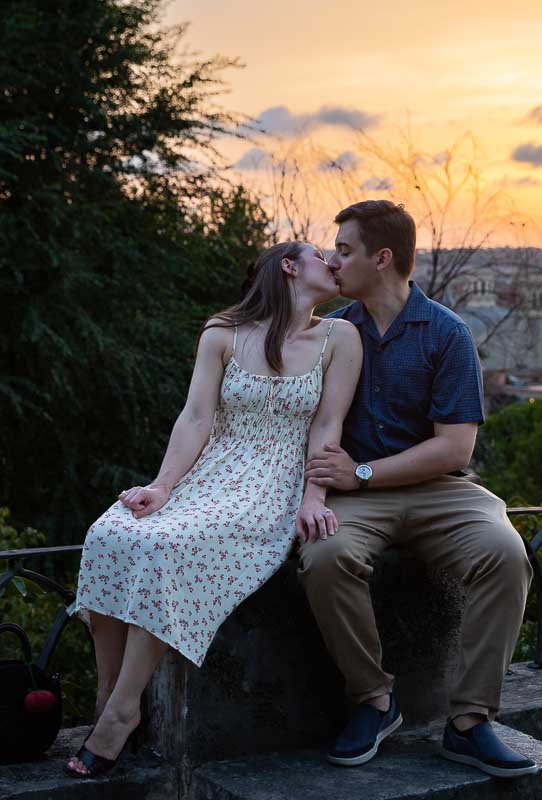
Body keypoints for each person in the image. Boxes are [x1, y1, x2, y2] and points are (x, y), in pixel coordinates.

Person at [65, 241, 362, 778]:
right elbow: (196, 418)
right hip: (210, 473)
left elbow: (326, 427)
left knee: (165, 545)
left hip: (271, 484)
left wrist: (313, 497)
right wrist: (161, 487)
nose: (335, 264)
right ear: (289, 267)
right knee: (110, 533)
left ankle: (123, 712)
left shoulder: (340, 337)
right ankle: (107, 696)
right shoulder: (222, 331)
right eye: (323, 254)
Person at [299, 200, 537, 778]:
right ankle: (374, 700)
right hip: (358, 498)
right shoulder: (332, 333)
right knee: (325, 557)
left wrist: (361, 473)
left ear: (382, 259)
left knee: (506, 555)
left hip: (436, 489)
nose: (334, 261)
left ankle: (470, 722)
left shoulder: (445, 333)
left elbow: (455, 449)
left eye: (345, 250)